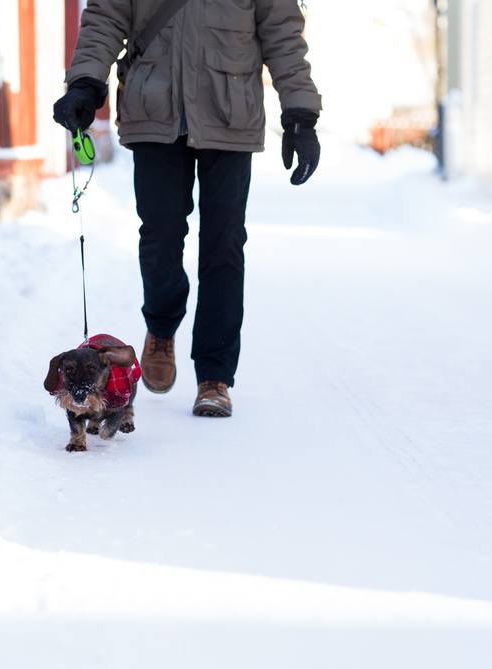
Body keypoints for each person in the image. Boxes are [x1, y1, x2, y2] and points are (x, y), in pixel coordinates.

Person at [53, 0, 321, 417]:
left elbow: (282, 31)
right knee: (160, 235)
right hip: (153, 111)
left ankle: (214, 375)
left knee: (224, 244)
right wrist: (85, 82)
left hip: (230, 113)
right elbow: (106, 14)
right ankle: (160, 327)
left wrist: (300, 114)